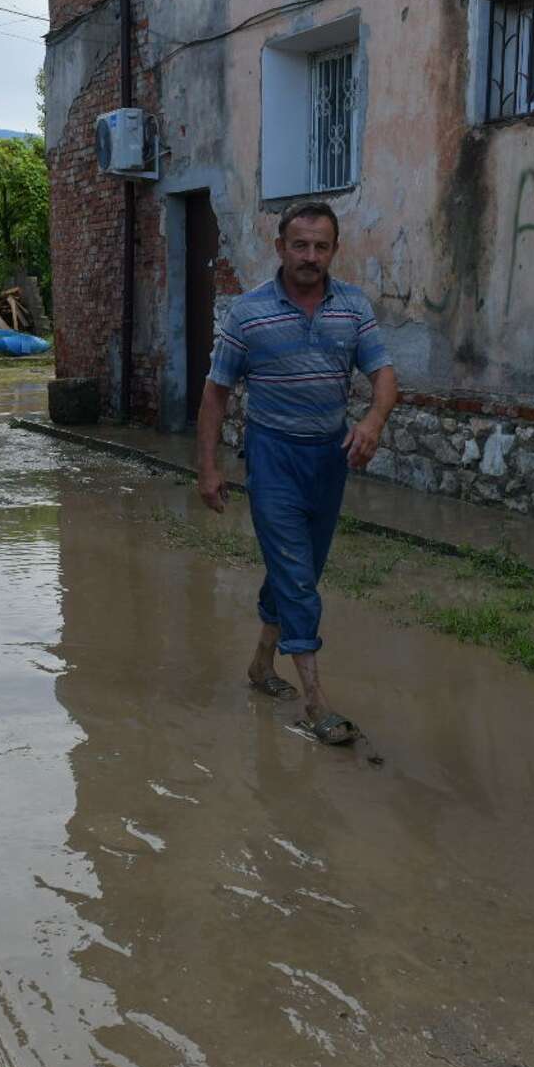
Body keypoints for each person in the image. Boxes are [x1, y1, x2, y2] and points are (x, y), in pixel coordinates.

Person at [194, 201, 398, 745]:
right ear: (280, 247)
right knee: (298, 577)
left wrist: (373, 421)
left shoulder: (352, 307)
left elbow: (384, 375)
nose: (310, 256)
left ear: (334, 250)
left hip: (329, 460)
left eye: (321, 246)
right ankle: (316, 704)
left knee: (298, 569)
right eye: (300, 245)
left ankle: (262, 665)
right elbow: (216, 394)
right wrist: (209, 467)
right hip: (272, 457)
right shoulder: (249, 313)